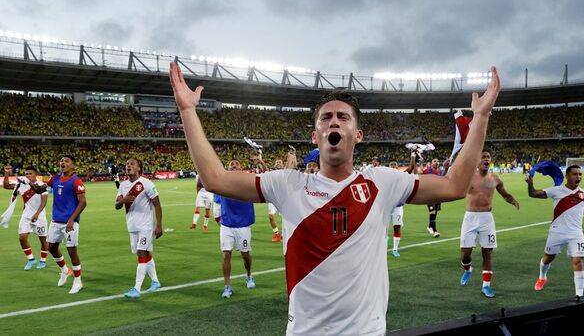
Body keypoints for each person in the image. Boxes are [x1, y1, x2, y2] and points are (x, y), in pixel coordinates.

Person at [169, 62, 499, 335]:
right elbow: (214, 179)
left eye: (343, 117)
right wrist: (187, 110)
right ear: (316, 136)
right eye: (326, 118)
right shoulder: (288, 185)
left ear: (357, 135)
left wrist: (481, 117)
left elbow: (455, 185)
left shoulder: (382, 182)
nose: (334, 121)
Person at [526, 165, 584, 299]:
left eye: (580, 174)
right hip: (557, 232)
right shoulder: (556, 190)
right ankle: (542, 277)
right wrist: (530, 184)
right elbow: (533, 194)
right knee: (548, 258)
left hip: (576, 233)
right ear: (567, 176)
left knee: (578, 261)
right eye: (575, 174)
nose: (578, 177)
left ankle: (579, 295)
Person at [458, 150, 520, 298]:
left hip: (487, 219)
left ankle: (486, 286)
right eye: (483, 157)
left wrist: (513, 201)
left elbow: (505, 194)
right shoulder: (469, 178)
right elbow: (456, 189)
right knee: (465, 254)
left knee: (487, 253)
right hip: (470, 218)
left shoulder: (495, 179)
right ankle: (468, 269)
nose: (486, 159)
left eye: (488, 157)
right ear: (477, 161)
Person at [29, 155, 87, 294]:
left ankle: (78, 281)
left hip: (70, 222)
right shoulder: (55, 178)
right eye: (61, 160)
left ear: (72, 166)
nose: (63, 162)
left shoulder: (76, 181)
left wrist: (72, 220)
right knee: (52, 247)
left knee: (72, 250)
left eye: (66, 161)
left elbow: (83, 202)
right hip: (56, 221)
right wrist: (31, 183)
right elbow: (40, 189)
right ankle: (65, 271)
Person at [115, 158, 163, 299]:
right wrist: (123, 201)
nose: (128, 166)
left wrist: (159, 225)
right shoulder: (123, 185)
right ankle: (155, 281)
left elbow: (157, 205)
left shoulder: (147, 184)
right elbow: (117, 205)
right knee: (145, 253)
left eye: (132, 164)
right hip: (132, 225)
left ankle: (136, 289)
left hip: (145, 226)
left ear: (139, 168)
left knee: (141, 253)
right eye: (127, 164)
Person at [216, 159, 256, 299]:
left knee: (245, 254)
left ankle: (249, 275)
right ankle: (227, 286)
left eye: (237, 163)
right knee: (226, 254)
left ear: (241, 167)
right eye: (231, 163)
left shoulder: (248, 181)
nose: (233, 165)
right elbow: (216, 201)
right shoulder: (221, 182)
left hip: (243, 225)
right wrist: (217, 218)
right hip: (226, 225)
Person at [3, 165, 49, 270]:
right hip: (26, 215)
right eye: (26, 174)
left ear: (35, 174)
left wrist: (37, 214)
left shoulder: (42, 185)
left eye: (30, 173)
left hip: (40, 216)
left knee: (43, 239)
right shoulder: (22, 184)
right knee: (22, 237)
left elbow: (44, 201)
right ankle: (31, 260)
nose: (28, 175)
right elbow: (6, 186)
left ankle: (43, 260)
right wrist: (6, 173)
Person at [422, 158, 446, 238]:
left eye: (437, 161)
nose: (436, 162)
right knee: (432, 212)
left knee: (435, 213)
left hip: (438, 195)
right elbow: (419, 173)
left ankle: (429, 226)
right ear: (431, 163)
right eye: (434, 161)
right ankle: (435, 231)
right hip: (429, 195)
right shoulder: (427, 171)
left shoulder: (440, 171)